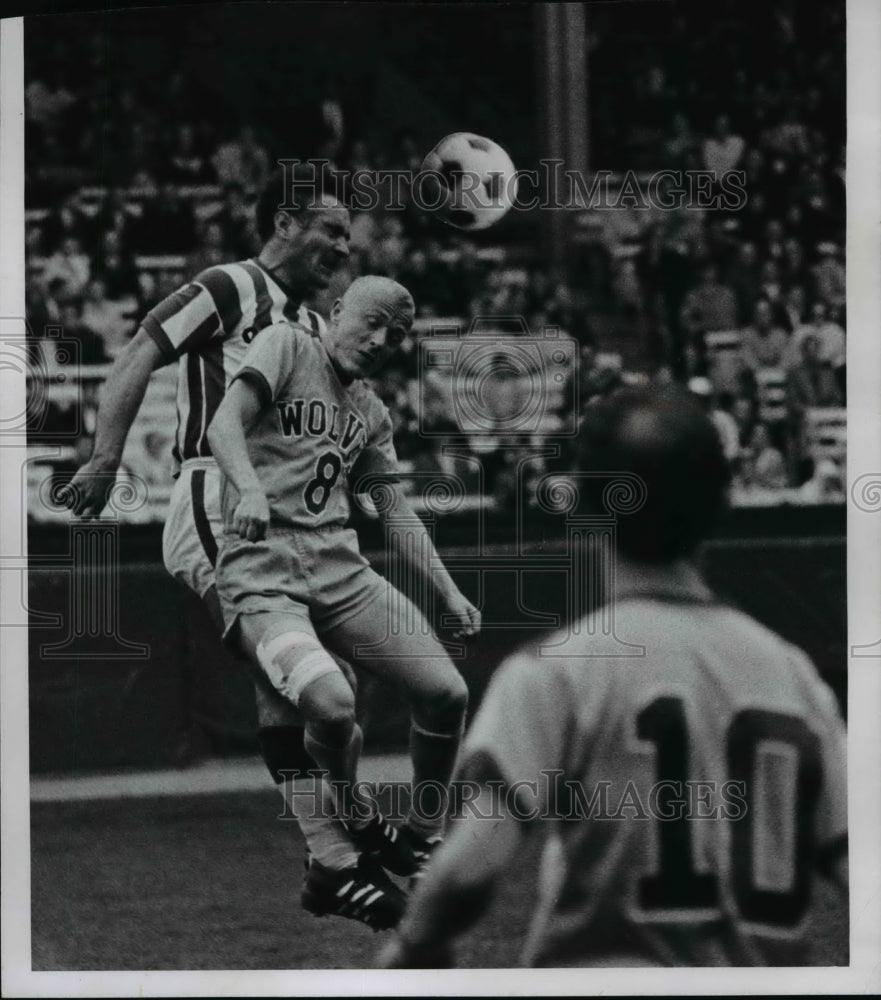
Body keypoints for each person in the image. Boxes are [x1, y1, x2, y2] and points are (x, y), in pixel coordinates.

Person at [379, 387, 846, 968]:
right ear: (719, 506)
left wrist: (412, 946)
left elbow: (468, 869)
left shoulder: (559, 671)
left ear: (585, 506)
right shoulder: (793, 675)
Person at [63, 167, 406, 929]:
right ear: (285, 221)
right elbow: (137, 356)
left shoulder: (314, 327)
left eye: (350, 239)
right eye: (332, 231)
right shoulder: (228, 287)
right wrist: (105, 456)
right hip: (214, 501)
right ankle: (338, 853)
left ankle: (336, 851)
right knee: (310, 690)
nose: (343, 250)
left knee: (320, 684)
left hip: (280, 521)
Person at [207, 275, 480, 922]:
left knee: (447, 692)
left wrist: (446, 589)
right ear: (335, 312)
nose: (383, 340)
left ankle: (418, 839)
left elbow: (394, 510)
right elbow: (224, 424)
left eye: (398, 333)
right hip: (262, 570)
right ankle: (354, 814)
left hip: (339, 567)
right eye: (373, 322)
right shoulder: (285, 344)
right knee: (331, 706)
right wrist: (246, 487)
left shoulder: (370, 411)